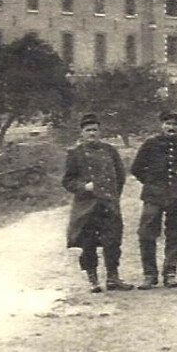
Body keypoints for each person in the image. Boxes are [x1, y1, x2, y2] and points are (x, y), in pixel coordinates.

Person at [62, 113, 133, 293]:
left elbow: (120, 176)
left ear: (100, 131)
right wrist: (85, 187)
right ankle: (93, 280)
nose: (92, 133)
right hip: (87, 207)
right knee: (88, 243)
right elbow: (67, 181)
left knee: (113, 241)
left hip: (108, 204)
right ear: (82, 133)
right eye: (88, 130)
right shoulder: (75, 154)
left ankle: (112, 278)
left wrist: (114, 196)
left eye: (95, 130)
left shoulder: (110, 150)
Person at [129, 111, 177, 289]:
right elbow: (136, 168)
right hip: (153, 196)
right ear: (162, 125)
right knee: (146, 234)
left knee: (174, 234)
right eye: (168, 124)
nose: (171, 128)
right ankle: (149, 275)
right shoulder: (151, 144)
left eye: (175, 125)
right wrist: (152, 182)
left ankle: (170, 273)